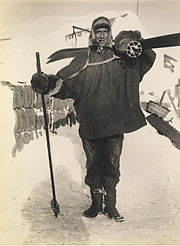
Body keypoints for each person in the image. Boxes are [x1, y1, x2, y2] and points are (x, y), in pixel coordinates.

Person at [31, 16, 156, 222]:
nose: (101, 35)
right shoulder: (84, 60)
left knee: (112, 165)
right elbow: (65, 84)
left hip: (115, 125)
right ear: (92, 34)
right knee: (93, 165)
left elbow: (147, 58)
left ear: (110, 34)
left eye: (105, 31)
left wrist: (131, 40)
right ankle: (96, 204)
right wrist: (46, 83)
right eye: (97, 32)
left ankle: (111, 206)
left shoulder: (123, 59)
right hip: (91, 124)